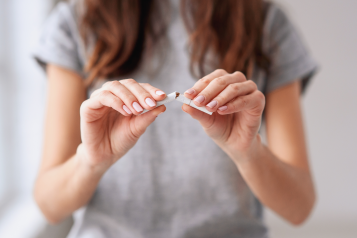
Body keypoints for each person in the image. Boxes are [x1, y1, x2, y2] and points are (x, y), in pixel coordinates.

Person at [33, 0, 318, 237]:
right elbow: (50, 204)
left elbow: (299, 207)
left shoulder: (266, 22)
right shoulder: (76, 21)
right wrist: (91, 161)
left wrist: (248, 152)